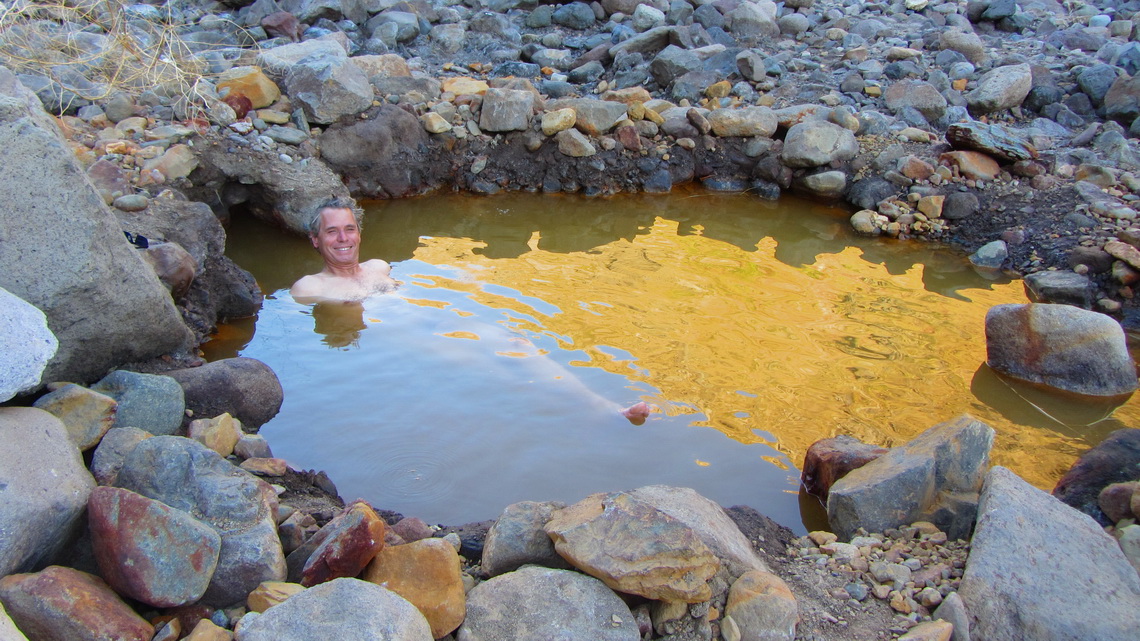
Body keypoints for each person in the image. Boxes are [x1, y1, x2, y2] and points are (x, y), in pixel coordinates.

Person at [290, 198, 399, 302]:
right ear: (315, 239)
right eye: (332, 231)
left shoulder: (380, 267)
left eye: (350, 229)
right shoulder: (308, 288)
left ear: (359, 234)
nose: (343, 238)